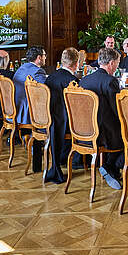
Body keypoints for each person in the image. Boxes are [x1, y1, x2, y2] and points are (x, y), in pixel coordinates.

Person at [79, 47, 125, 190]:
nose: (117, 66)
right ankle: (111, 166)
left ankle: (110, 167)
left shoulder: (84, 80)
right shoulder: (110, 81)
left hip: (84, 130)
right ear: (111, 63)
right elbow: (117, 110)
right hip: (104, 133)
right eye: (117, 63)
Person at [44, 48, 80, 184]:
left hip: (49, 119)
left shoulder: (51, 77)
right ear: (76, 64)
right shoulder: (72, 81)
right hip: (65, 122)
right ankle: (78, 160)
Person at [13, 46, 48, 172]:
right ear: (39, 58)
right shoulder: (38, 72)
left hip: (17, 111)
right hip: (29, 113)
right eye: (44, 55)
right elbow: (46, 91)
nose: (45, 58)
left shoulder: (21, 68)